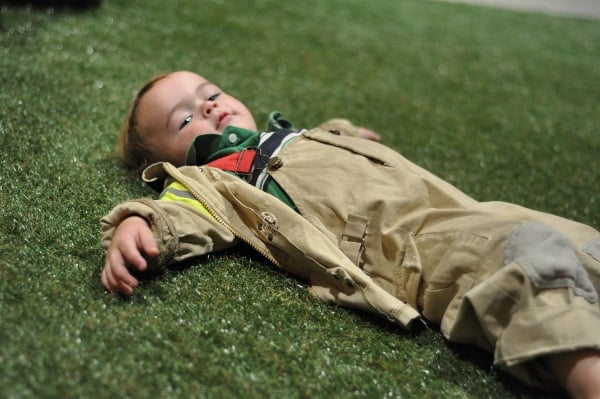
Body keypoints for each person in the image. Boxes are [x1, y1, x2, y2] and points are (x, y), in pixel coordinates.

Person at [101, 71, 600, 398]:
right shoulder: (219, 181)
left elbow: (326, 144)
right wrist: (136, 224)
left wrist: (345, 133)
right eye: (185, 118)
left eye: (210, 94)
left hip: (465, 211)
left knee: (577, 243)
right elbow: (179, 210)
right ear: (169, 160)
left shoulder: (290, 133)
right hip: (414, 251)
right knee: (529, 262)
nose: (208, 108)